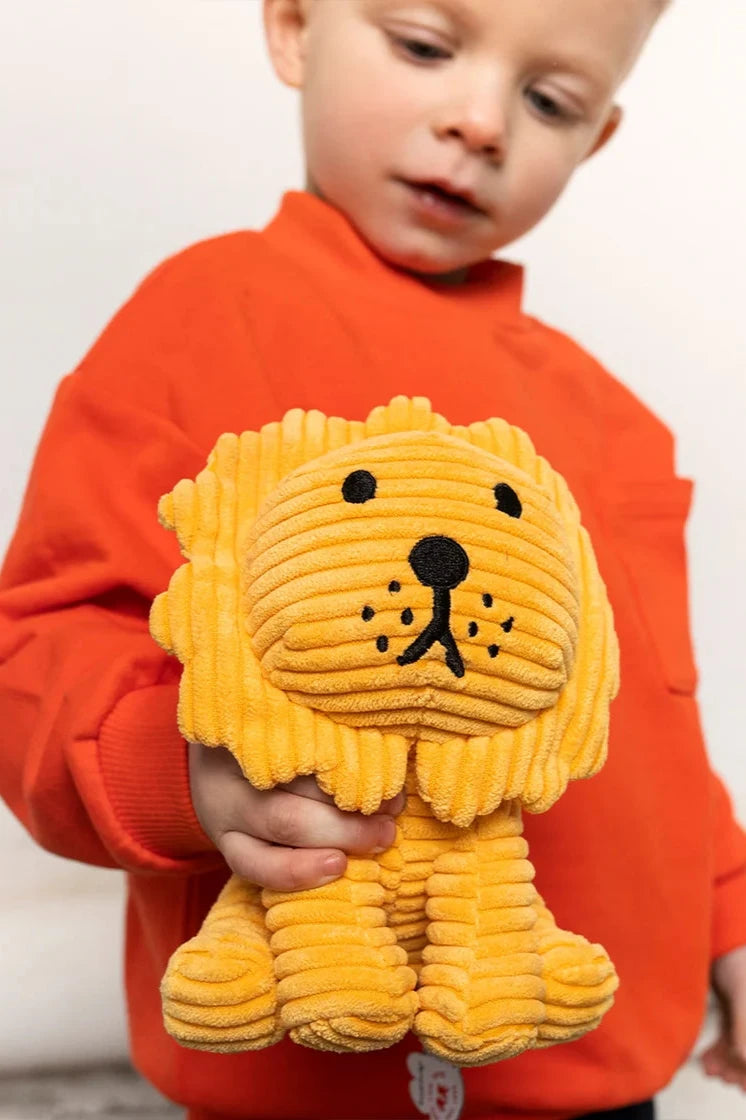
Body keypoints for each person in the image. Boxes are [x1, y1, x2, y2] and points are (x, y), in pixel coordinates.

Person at [1, 0, 744, 1117]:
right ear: (296, 28)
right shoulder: (200, 319)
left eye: (549, 102)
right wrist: (183, 777)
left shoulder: (612, 418)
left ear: (593, 141)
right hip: (304, 1051)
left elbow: (648, 716)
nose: (481, 122)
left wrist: (729, 916)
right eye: (424, 47)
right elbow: (45, 644)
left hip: (596, 1067)